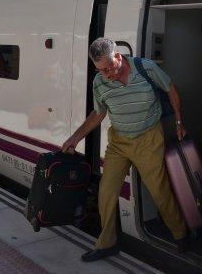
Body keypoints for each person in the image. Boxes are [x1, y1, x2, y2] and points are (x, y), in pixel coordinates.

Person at [62, 38, 189, 262]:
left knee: (159, 191)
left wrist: (179, 122)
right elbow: (98, 114)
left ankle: (180, 234)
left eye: (110, 66)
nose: (108, 73)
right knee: (106, 192)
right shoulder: (99, 83)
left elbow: (171, 89)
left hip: (148, 138)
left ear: (119, 56)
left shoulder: (145, 68)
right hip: (119, 143)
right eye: (101, 70)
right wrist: (75, 137)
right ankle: (106, 244)